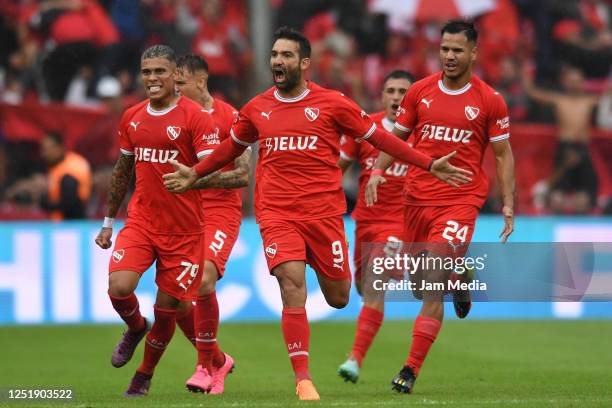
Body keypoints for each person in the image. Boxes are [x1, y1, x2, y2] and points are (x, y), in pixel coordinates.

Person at [162, 27, 472, 401]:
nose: (278, 61)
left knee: (341, 296)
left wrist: (427, 163)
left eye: (286, 55)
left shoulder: (333, 104)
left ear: (304, 63)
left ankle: (452, 273)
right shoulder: (257, 107)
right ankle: (303, 379)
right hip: (277, 213)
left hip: (324, 216)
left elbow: (380, 138)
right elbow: (230, 148)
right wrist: (195, 172)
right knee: (291, 285)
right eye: (275, 54)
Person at [366, 20, 515, 394]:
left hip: (460, 202)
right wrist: (376, 172)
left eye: (457, 50)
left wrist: (509, 203)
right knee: (418, 286)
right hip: (416, 200)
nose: (449, 56)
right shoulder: (419, 92)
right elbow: (396, 137)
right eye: (444, 49)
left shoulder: (489, 100)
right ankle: (459, 276)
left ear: (473, 53)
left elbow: (502, 154)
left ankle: (410, 369)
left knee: (430, 284)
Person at [94, 44, 219, 397]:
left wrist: (192, 176)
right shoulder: (132, 117)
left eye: (160, 72)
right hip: (142, 221)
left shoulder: (195, 117)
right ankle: (135, 327)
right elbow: (122, 171)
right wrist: (107, 221)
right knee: (119, 287)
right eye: (147, 72)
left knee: (168, 308)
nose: (152, 78)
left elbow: (213, 166)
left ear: (175, 76)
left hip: (184, 230)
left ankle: (144, 375)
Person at [173, 53, 251, 395]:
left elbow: (242, 175)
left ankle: (204, 367)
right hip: (182, 215)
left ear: (201, 81)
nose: (173, 90)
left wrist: (196, 180)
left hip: (219, 211)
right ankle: (218, 360)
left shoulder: (231, 118)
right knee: (175, 299)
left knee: (204, 278)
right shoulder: (172, 118)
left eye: (180, 83)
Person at [336, 70, 415, 383]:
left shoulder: (421, 131)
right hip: (364, 222)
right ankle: (452, 274)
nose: (396, 97)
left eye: (403, 92)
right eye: (390, 90)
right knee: (362, 287)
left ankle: (354, 359)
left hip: (400, 222)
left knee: (374, 284)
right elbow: (337, 169)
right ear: (382, 95)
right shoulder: (365, 127)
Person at [522, 64, 601, 214]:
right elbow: (532, 92)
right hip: (565, 147)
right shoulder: (559, 100)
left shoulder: (589, 101)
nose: (574, 84)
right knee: (557, 194)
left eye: (577, 80)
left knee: (587, 195)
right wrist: (525, 73)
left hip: (583, 149)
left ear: (583, 82)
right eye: (571, 80)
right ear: (564, 82)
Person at [7, 132, 92, 220]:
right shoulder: (55, 165)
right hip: (62, 223)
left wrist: (41, 202)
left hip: (72, 225)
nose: (44, 153)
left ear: (60, 147)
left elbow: (69, 204)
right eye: (43, 149)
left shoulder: (71, 168)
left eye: (48, 149)